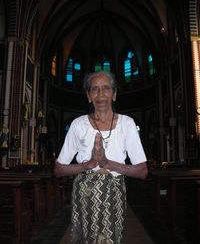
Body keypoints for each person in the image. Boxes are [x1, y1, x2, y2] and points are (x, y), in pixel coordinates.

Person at [54, 70, 148, 243]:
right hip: (84, 195)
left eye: (106, 88)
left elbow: (142, 171)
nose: (101, 94)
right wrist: (87, 165)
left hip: (114, 194)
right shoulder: (78, 125)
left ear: (114, 94)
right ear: (89, 96)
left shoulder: (127, 124)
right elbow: (59, 169)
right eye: (95, 89)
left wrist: (107, 163)